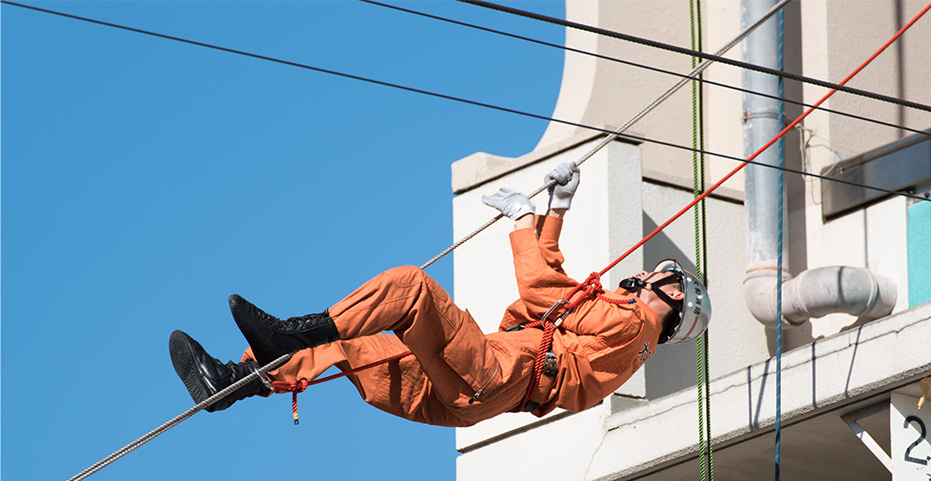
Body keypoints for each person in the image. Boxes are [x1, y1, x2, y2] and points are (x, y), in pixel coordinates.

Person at [169, 163, 711, 427]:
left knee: (410, 288)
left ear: (675, 305)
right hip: (476, 391)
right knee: (348, 348)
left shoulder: (633, 324)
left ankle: (286, 334)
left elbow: (542, 292)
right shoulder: (624, 339)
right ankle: (233, 383)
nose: (647, 279)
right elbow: (559, 302)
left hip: (498, 372)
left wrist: (523, 222)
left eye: (663, 280)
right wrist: (557, 212)